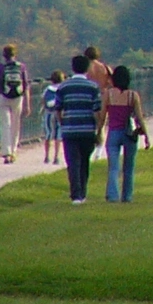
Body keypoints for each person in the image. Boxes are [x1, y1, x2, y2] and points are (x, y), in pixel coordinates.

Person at [53, 54, 103, 204]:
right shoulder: (93, 87)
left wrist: (63, 123)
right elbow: (96, 111)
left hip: (69, 129)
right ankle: (83, 192)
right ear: (87, 68)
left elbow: (58, 109)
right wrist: (98, 130)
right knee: (84, 162)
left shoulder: (63, 87)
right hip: (87, 130)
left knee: (73, 163)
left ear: (72, 68)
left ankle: (75, 195)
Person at [103, 65, 146, 203]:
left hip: (114, 131)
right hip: (129, 133)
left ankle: (112, 195)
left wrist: (98, 131)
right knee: (129, 167)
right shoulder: (133, 95)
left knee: (113, 167)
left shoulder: (108, 94)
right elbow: (139, 117)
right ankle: (127, 196)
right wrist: (146, 135)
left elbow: (103, 115)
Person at [0, 43, 30, 164]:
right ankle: (14, 151)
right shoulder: (22, 67)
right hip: (17, 98)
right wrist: (27, 104)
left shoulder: (0, 67)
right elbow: (26, 85)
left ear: (4, 55)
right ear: (15, 54)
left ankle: (6, 152)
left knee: (5, 124)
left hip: (2, 96)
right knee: (16, 124)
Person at [41, 70, 64, 165]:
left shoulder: (48, 89)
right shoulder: (63, 88)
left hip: (49, 113)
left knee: (48, 134)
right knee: (58, 135)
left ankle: (47, 156)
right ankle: (56, 157)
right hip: (59, 113)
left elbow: (43, 100)